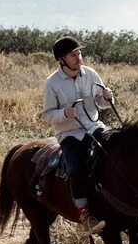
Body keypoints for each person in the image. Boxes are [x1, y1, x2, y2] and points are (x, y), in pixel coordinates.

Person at [41, 36, 114, 231]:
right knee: (74, 169)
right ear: (61, 59)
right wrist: (64, 113)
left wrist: (107, 98)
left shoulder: (90, 74)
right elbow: (47, 115)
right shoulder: (52, 83)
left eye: (79, 53)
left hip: (94, 127)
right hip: (70, 133)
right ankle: (85, 214)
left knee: (116, 155)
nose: (78, 57)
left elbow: (101, 102)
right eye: (73, 54)